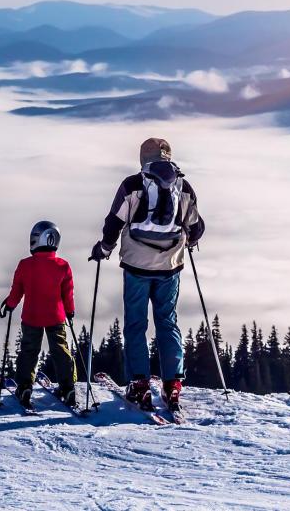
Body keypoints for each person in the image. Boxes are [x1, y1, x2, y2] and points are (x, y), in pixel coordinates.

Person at [90, 138, 204, 411]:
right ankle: (173, 384)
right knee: (167, 322)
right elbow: (196, 227)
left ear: (143, 158)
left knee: (136, 324)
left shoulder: (132, 185)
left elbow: (114, 222)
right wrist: (188, 241)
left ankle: (139, 384)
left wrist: (104, 248)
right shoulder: (183, 186)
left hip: (136, 266)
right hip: (170, 266)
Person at [0, 221, 78, 411]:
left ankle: (25, 387)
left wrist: (9, 305)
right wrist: (70, 311)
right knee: (60, 350)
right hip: (56, 316)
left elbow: (17, 290)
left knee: (29, 351)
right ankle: (68, 388)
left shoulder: (25, 265)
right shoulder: (63, 266)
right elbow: (68, 293)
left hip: (32, 316)